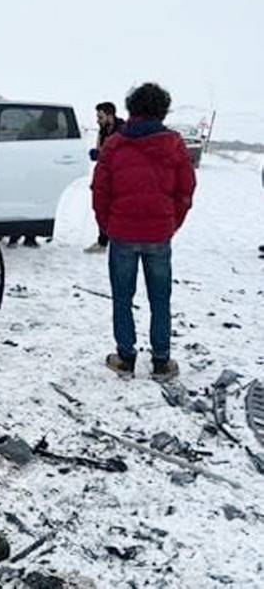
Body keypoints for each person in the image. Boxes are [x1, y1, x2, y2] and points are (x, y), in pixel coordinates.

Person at [91, 83, 196, 382]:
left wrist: (107, 226)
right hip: (158, 235)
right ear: (163, 110)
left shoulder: (114, 144)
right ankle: (162, 361)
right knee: (160, 298)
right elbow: (186, 190)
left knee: (122, 297)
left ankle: (125, 358)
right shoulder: (174, 143)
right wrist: (171, 223)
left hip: (122, 234)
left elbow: (100, 191)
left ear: (131, 109)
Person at [85, 102, 125, 253]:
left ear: (110, 115)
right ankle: (102, 241)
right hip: (103, 175)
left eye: (100, 116)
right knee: (101, 208)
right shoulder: (102, 131)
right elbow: (103, 151)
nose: (97, 120)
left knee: (116, 210)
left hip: (118, 177)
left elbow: (121, 155)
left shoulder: (122, 131)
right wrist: (97, 153)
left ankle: (116, 242)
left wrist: (101, 154)